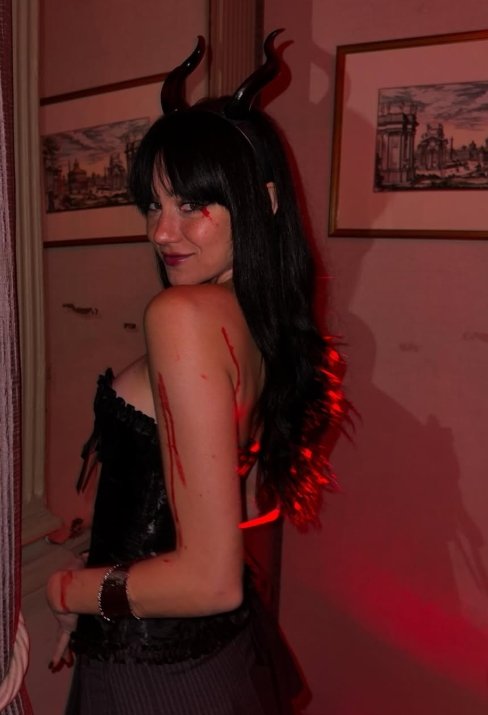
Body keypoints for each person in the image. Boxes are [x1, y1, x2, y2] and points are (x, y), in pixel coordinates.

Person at [46, 29, 347, 715]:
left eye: (191, 205)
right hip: (217, 658)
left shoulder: (182, 314)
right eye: (154, 204)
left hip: (157, 675)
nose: (160, 231)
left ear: (263, 201)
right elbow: (238, 504)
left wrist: (68, 590)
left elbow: (211, 580)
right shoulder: (260, 320)